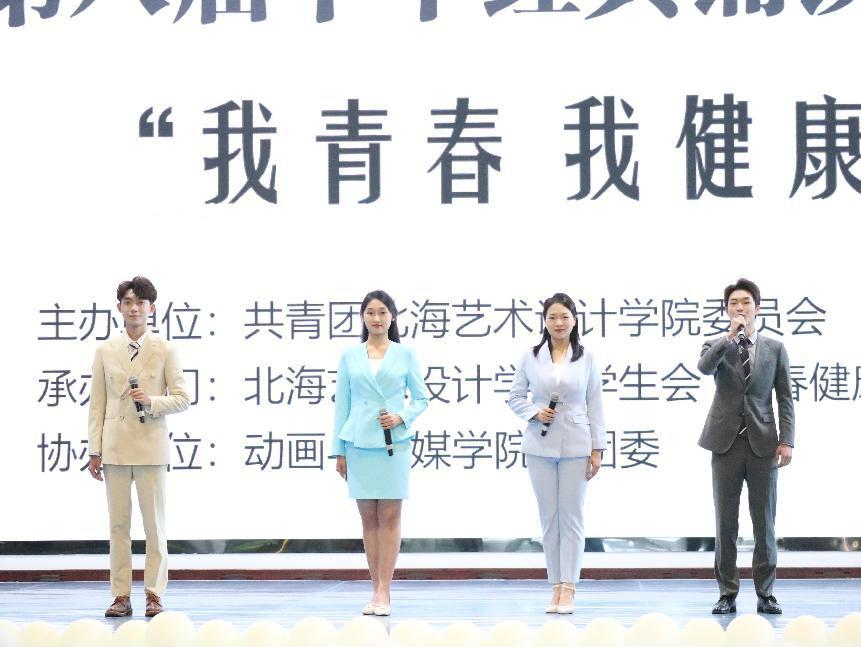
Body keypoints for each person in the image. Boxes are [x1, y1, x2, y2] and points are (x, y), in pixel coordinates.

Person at [87, 276, 190, 618]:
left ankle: (154, 594)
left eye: (140, 303)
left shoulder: (165, 349)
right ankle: (120, 595)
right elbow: (97, 405)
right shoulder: (105, 350)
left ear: (152, 308)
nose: (134, 309)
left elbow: (183, 398)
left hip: (150, 446)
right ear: (119, 308)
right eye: (128, 302)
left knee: (154, 526)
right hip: (115, 447)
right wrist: (94, 450)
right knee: (118, 526)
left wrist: (152, 401)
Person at [697, 278, 795, 615]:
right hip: (724, 442)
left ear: (758, 307)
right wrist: (728, 336)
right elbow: (704, 368)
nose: (740, 307)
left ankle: (766, 593)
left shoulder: (775, 348)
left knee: (764, 521)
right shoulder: (716, 345)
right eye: (734, 303)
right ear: (727, 309)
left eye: (746, 302)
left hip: (763, 443)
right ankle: (727, 592)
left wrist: (787, 440)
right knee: (725, 522)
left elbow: (785, 398)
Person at [330, 290, 430, 617]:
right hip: (358, 443)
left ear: (392, 316)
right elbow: (342, 405)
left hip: (393, 444)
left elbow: (421, 398)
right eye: (371, 312)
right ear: (363, 317)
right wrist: (338, 451)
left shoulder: (405, 354)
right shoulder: (350, 356)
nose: (376, 318)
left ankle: (385, 590)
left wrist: (401, 416)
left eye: (382, 312)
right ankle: (374, 588)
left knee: (389, 516)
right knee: (368, 519)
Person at [508, 293, 606, 614]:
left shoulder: (587, 357)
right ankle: (555, 586)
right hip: (540, 443)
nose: (559, 323)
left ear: (574, 320)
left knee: (572, 517)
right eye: (552, 317)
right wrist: (535, 412)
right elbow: (514, 397)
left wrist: (597, 448)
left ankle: (570, 587)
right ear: (545, 321)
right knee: (548, 518)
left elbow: (595, 404)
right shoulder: (531, 356)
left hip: (577, 442)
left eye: (564, 317)